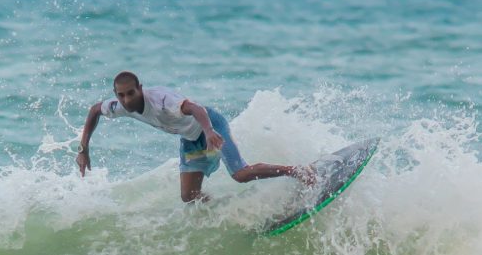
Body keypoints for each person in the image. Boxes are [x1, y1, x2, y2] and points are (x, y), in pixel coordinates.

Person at [76, 71, 314, 202]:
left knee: (241, 174)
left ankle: (299, 171)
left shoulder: (161, 100)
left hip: (210, 125)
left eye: (131, 93)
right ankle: (225, 210)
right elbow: (95, 110)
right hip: (190, 138)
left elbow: (196, 109)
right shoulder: (118, 106)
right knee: (189, 196)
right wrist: (84, 149)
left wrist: (210, 131)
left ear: (140, 87)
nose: (127, 100)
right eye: (121, 95)